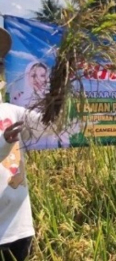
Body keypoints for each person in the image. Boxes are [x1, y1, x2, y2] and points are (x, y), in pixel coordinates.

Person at [0, 27, 54, 261]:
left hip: (18, 227)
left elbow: (49, 126)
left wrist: (59, 92)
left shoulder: (13, 111)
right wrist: (4, 142)